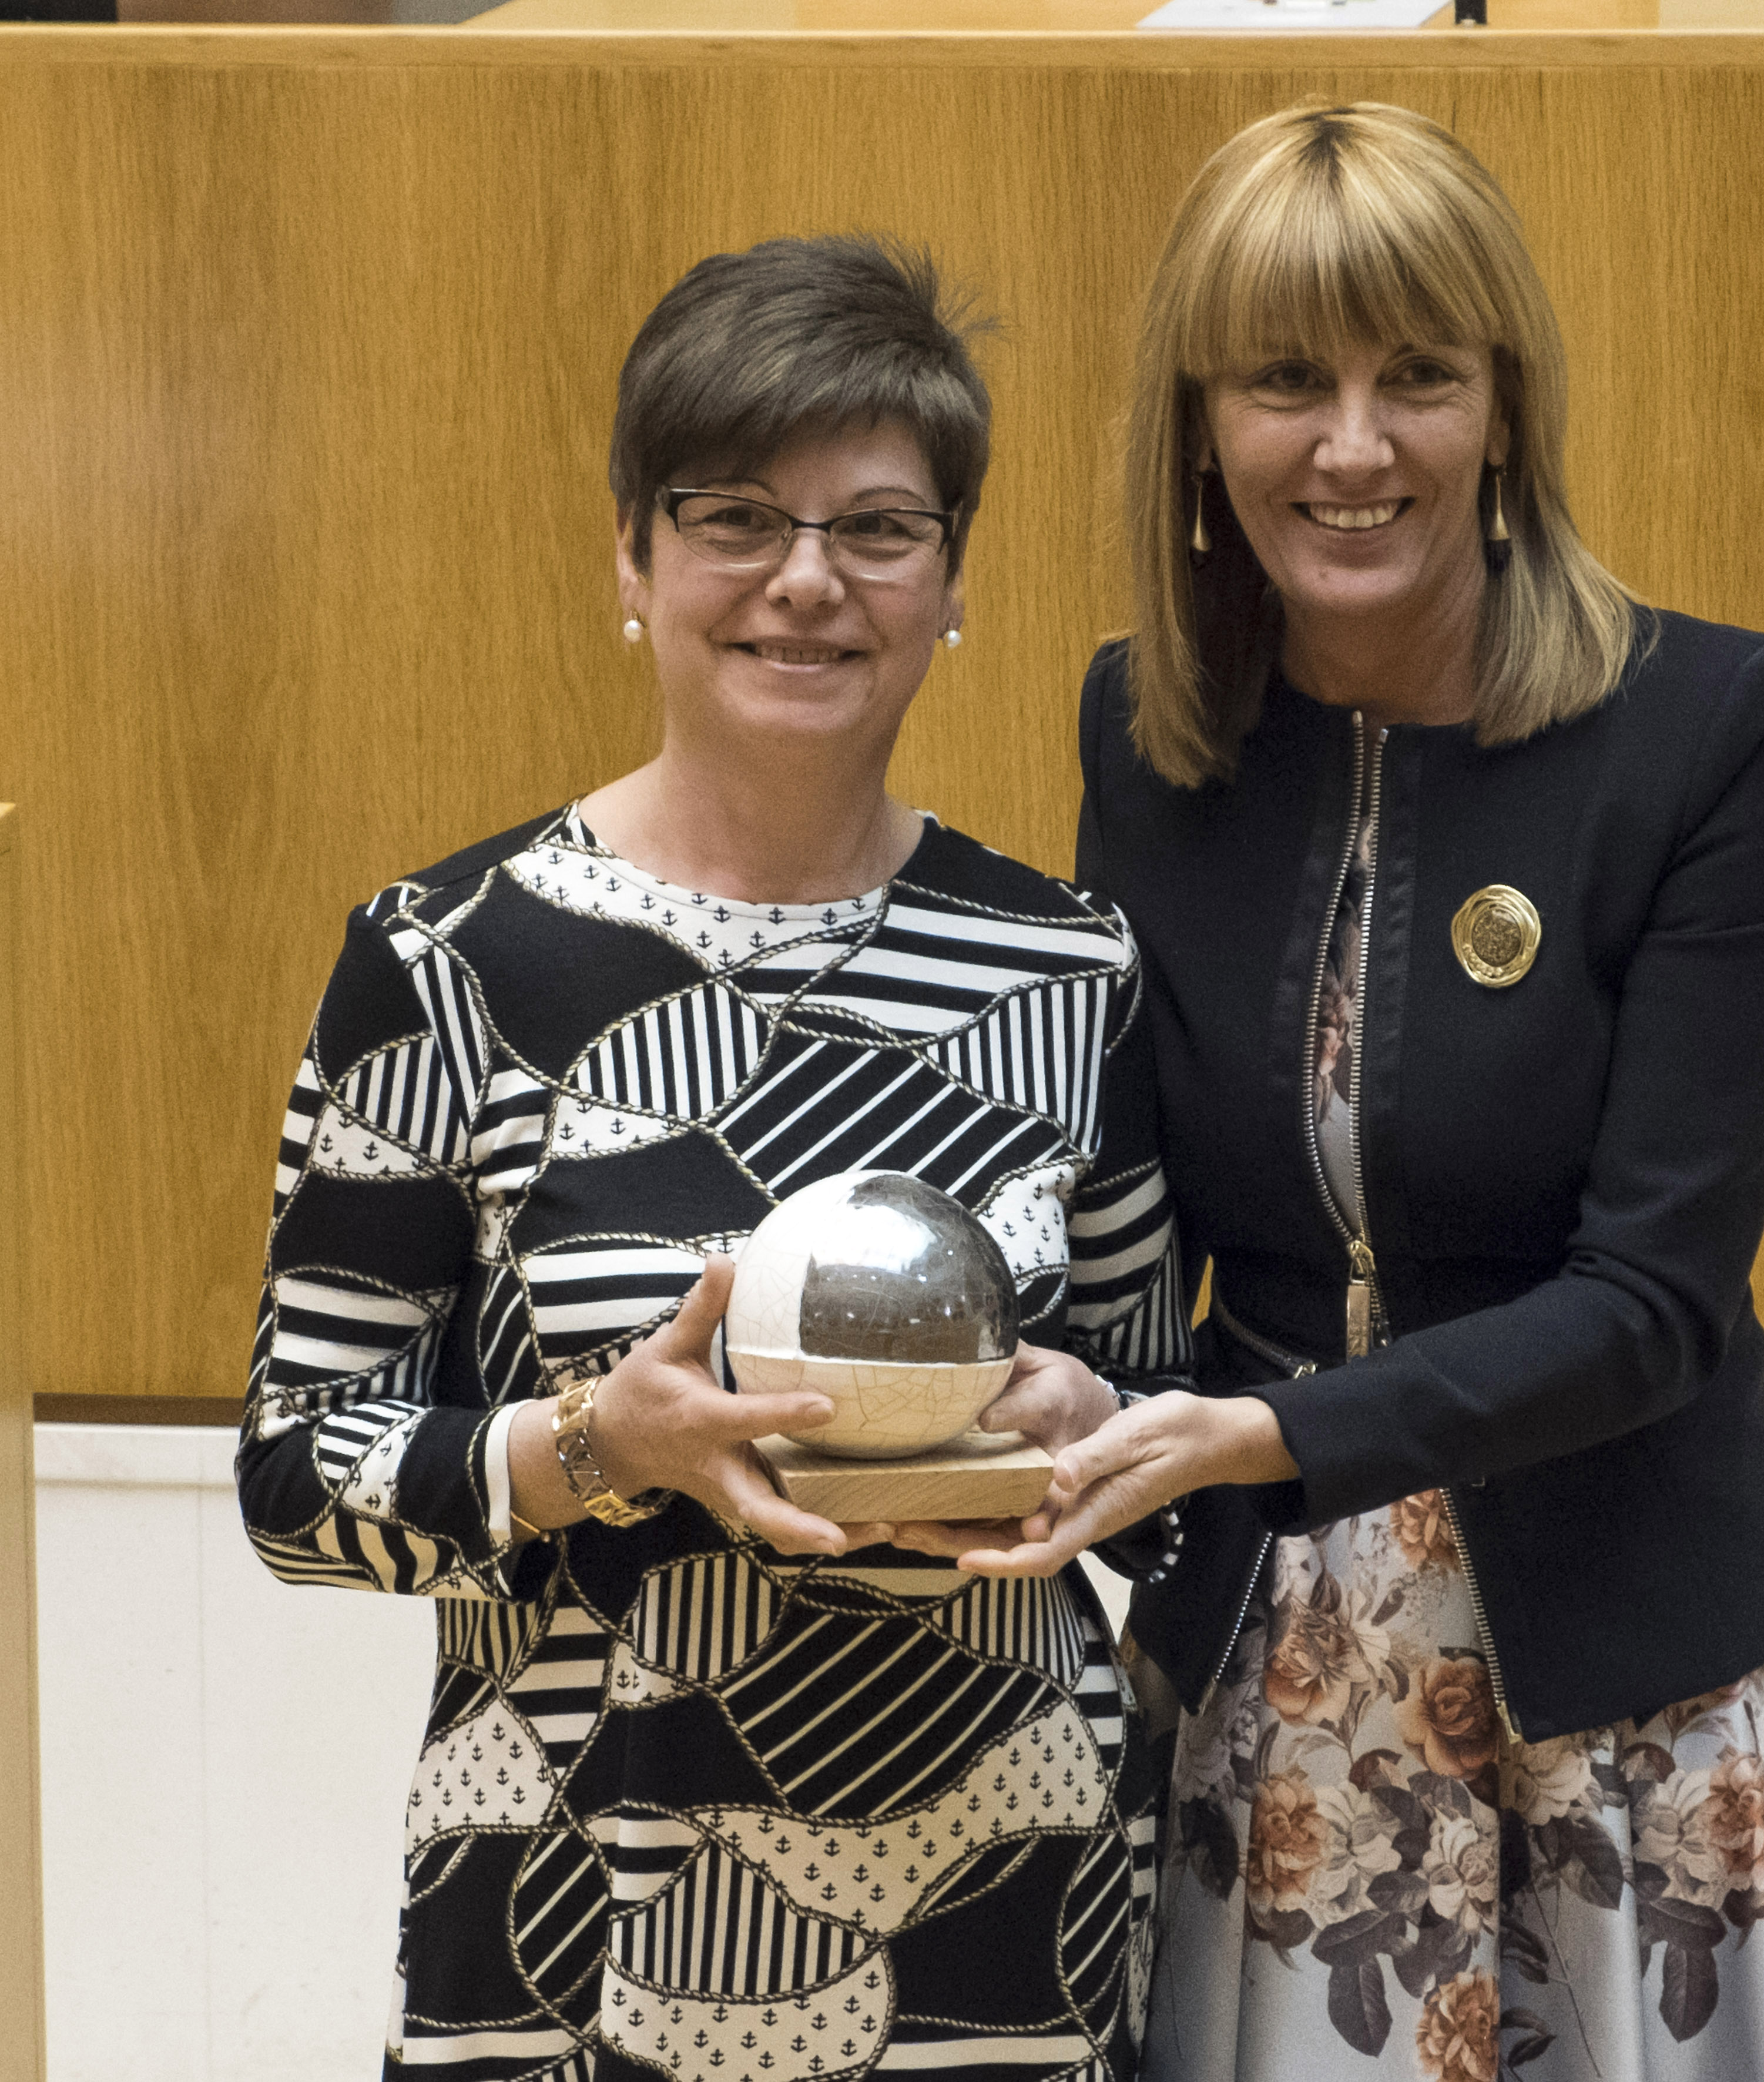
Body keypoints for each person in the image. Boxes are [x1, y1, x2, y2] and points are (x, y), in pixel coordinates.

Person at [967, 106, 1764, 2081]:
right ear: (1199, 424)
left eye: (1417, 375)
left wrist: (1260, 1432)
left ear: (1505, 408)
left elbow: (1657, 1303)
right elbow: (1127, 1200)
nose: (1356, 448)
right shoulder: (1144, 727)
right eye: (1287, 381)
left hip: (1648, 1698)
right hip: (1270, 1688)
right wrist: (1058, 1392)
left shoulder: (1715, 730)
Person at [236, 234, 1186, 2081]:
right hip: (579, 1906)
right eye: (735, 516)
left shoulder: (1074, 966)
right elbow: (296, 1477)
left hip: (1006, 1920)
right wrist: (602, 1444)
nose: (807, 584)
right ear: (633, 555)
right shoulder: (449, 962)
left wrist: (1091, 1425)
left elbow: (1170, 1418)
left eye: (879, 527)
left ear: (953, 580)